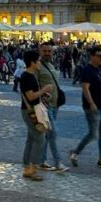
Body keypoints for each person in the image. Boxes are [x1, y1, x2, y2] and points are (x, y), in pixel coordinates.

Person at [69, 46, 101, 169]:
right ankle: (75, 152)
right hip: (92, 107)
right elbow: (85, 88)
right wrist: (91, 103)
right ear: (92, 56)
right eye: (99, 56)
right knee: (93, 134)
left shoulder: (98, 70)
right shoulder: (87, 70)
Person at [35, 45, 68, 173]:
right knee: (52, 133)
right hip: (45, 106)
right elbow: (34, 84)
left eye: (50, 51)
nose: (48, 53)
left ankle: (41, 161)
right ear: (40, 51)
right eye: (45, 51)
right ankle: (58, 162)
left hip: (55, 105)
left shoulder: (51, 64)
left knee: (47, 135)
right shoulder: (38, 66)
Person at [18, 50, 49, 181]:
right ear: (32, 62)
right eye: (38, 60)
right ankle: (33, 168)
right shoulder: (27, 76)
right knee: (40, 138)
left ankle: (27, 167)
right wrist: (44, 90)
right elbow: (30, 96)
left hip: (31, 110)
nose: (40, 63)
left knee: (31, 138)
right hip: (30, 111)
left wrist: (43, 94)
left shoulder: (30, 75)